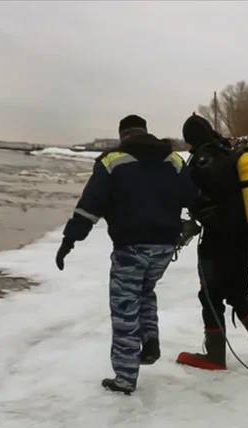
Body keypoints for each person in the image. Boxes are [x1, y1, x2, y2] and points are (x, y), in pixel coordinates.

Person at [55, 114, 195, 395]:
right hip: (165, 248)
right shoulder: (173, 160)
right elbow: (193, 197)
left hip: (131, 247)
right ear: (145, 132)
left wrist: (69, 240)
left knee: (124, 308)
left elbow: (89, 207)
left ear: (123, 135)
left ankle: (125, 378)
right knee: (145, 291)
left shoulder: (112, 161)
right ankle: (150, 339)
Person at [175, 114, 248, 372]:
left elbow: (196, 198)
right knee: (238, 293)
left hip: (216, 240)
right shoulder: (230, 153)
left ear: (190, 139)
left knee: (210, 296)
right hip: (243, 238)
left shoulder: (202, 161)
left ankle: (214, 357)